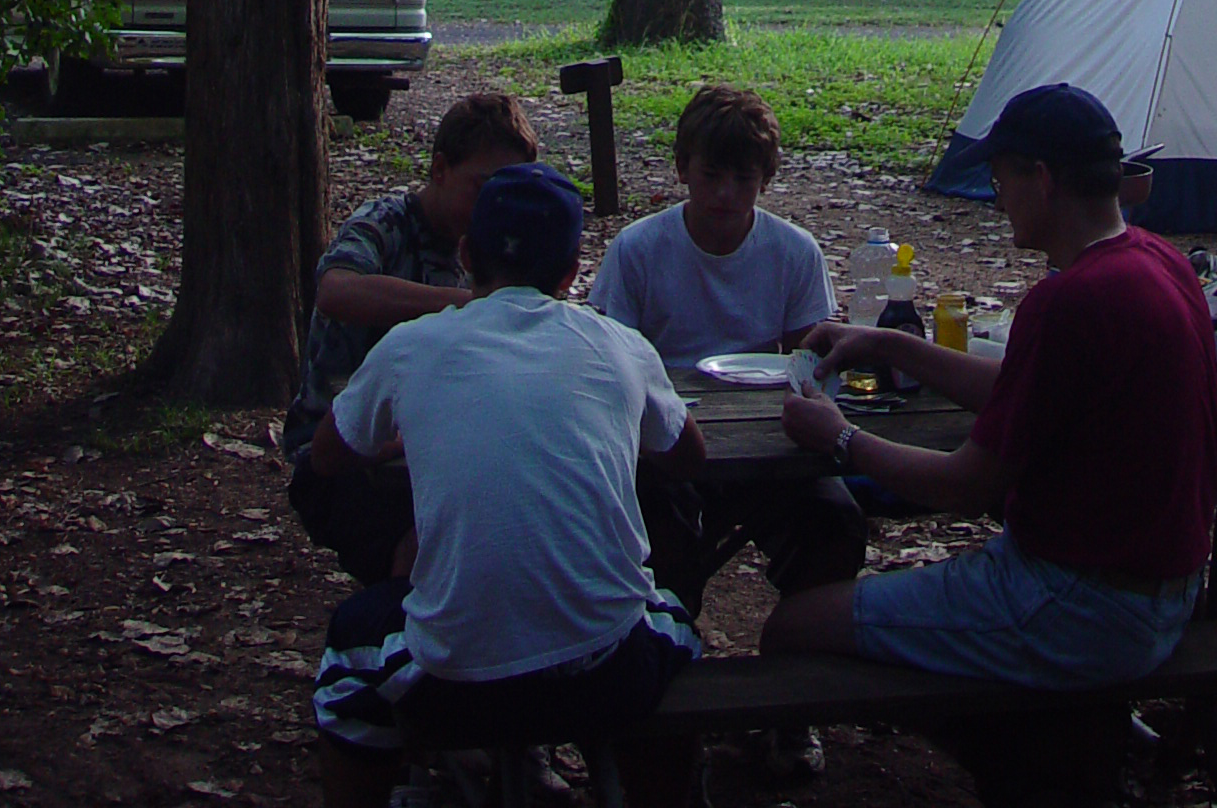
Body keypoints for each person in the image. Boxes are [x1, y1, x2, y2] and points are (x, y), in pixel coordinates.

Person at [764, 82, 1217, 709]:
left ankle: (1000, 753)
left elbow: (963, 486)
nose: (997, 198)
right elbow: (1022, 391)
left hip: (1081, 607)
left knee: (792, 627)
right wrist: (889, 345)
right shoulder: (1159, 263)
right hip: (1167, 592)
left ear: (1041, 178)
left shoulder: (1071, 301)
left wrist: (839, 436)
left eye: (1001, 180)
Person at [309, 161, 705, 808]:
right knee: (677, 622)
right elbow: (689, 458)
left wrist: (408, 435)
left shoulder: (414, 345)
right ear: (573, 272)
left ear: (466, 255)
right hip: (606, 671)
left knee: (347, 660)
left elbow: (326, 454)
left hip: (456, 681)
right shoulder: (620, 345)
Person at [588, 82, 865, 624]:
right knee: (659, 532)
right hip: (666, 444)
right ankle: (669, 644)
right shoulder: (640, 249)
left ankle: (804, 651)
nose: (725, 195)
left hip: (766, 442)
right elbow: (608, 356)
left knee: (837, 520)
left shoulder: (793, 251)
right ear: (683, 168)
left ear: (766, 179)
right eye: (712, 176)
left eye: (744, 179)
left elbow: (813, 358)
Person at [285, 90, 537, 584]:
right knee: (424, 546)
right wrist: (461, 306)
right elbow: (336, 291)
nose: (494, 206)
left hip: (438, 442)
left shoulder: (500, 243)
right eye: (482, 187)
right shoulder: (385, 223)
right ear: (440, 169)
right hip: (337, 450)